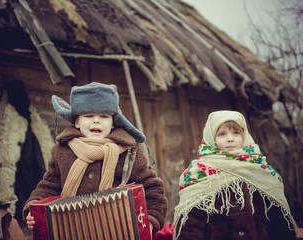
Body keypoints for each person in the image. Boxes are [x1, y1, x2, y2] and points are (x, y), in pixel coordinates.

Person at [23, 82, 167, 237]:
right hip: (72, 231)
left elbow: (153, 189)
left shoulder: (129, 153)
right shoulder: (62, 151)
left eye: (104, 116)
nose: (96, 121)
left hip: (118, 233)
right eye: (89, 116)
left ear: (113, 123)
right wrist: (34, 207)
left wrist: (150, 221)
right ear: (77, 121)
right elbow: (49, 185)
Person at [173, 110, 297, 239]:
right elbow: (192, 225)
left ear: (244, 136)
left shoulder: (260, 169)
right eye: (222, 134)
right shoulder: (199, 173)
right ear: (211, 138)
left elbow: (279, 222)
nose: (230, 139)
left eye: (236, 133)